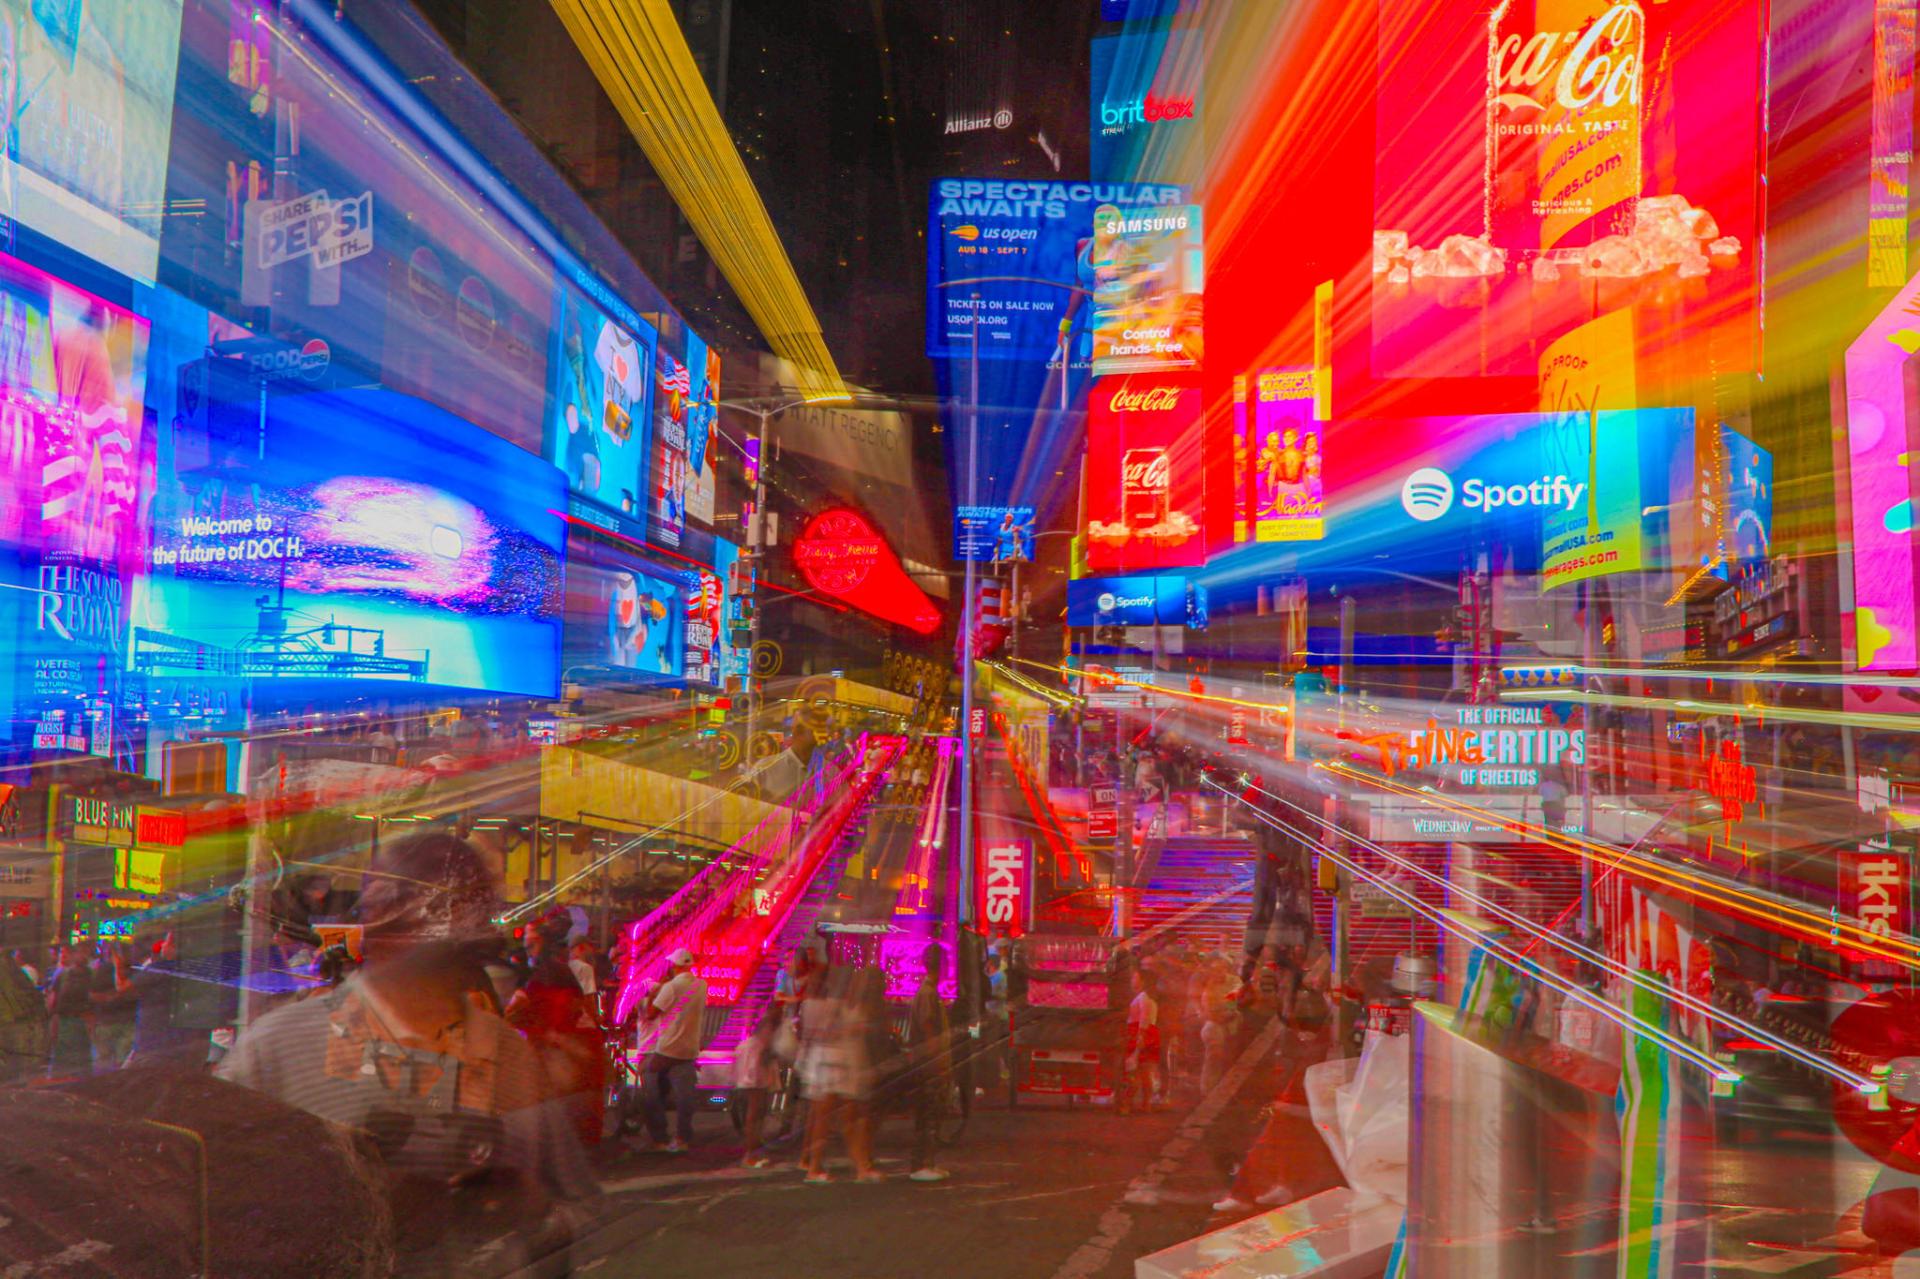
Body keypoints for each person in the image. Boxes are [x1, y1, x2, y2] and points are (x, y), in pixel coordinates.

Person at [217, 831, 598, 1275]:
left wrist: (518, 1200)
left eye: (452, 908)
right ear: (373, 916)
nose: (431, 927)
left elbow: (571, 1220)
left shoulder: (507, 1058)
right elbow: (217, 1207)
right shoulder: (279, 1048)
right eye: (405, 904)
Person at [506, 912, 607, 1148]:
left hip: (555, 1050)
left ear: (541, 939)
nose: (525, 942)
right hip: (558, 1048)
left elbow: (527, 1007)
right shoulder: (553, 971)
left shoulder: (547, 973)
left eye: (529, 936)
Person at [797, 967, 879, 1183]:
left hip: (837, 1064)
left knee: (843, 1118)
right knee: (833, 1119)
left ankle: (858, 1167)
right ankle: (818, 1167)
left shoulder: (836, 1005)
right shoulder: (830, 1006)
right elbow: (823, 1033)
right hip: (830, 1065)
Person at [637, 947, 707, 1153]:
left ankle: (659, 1137)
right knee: (685, 1095)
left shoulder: (670, 987)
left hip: (667, 1048)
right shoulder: (701, 985)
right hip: (690, 1048)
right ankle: (683, 1137)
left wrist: (653, 995)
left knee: (649, 1083)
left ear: (675, 966)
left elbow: (650, 1014)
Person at [904, 944, 953, 1182]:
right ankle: (921, 1164)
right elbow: (928, 1027)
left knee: (931, 1115)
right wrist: (940, 1060)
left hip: (928, 1063)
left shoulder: (929, 991)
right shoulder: (928, 993)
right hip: (929, 1065)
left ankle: (927, 1162)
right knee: (928, 1115)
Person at [732, 1006, 778, 1168]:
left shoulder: (755, 1046)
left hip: (753, 1082)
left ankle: (753, 1150)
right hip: (752, 1083)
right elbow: (751, 1072)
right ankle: (750, 1154)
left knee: (756, 1114)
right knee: (754, 1114)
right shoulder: (754, 1047)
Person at [45, 944, 93, 1077]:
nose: (82, 955)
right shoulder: (62, 974)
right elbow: (53, 1000)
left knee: (82, 1063)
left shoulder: (91, 974)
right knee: (61, 1062)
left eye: (85, 952)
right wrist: (52, 1021)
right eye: (79, 952)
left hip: (83, 1021)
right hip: (64, 1021)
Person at [88, 940, 137, 1070]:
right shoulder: (104, 970)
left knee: (123, 1063)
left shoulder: (134, 970)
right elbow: (91, 994)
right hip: (106, 1023)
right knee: (103, 1062)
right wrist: (108, 998)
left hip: (127, 1023)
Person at [1123, 967, 1163, 1114]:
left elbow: (1144, 1019)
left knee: (1135, 1071)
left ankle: (1128, 1104)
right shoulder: (1146, 997)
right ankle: (1146, 1104)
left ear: (1143, 981)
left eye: (1135, 977)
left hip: (1141, 1035)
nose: (1132, 980)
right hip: (1147, 1034)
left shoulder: (1144, 998)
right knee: (1145, 1072)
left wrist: (1140, 1037)